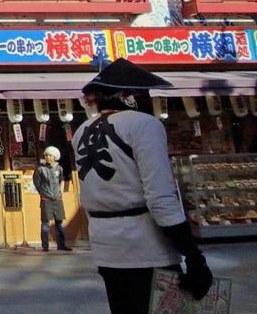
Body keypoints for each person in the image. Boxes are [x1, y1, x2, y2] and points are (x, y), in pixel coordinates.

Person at [74, 58, 214, 314]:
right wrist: (193, 256)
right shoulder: (144, 125)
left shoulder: (81, 130)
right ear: (129, 96)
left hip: (106, 247)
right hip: (146, 247)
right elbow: (160, 198)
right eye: (144, 94)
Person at [35, 145, 73, 252]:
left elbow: (60, 180)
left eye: (50, 155)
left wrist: (59, 193)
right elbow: (37, 183)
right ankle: (45, 246)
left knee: (59, 223)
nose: (47, 157)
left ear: (55, 156)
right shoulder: (40, 169)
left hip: (57, 198)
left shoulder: (59, 169)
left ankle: (61, 245)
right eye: (46, 155)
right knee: (45, 223)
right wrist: (42, 193)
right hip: (46, 199)